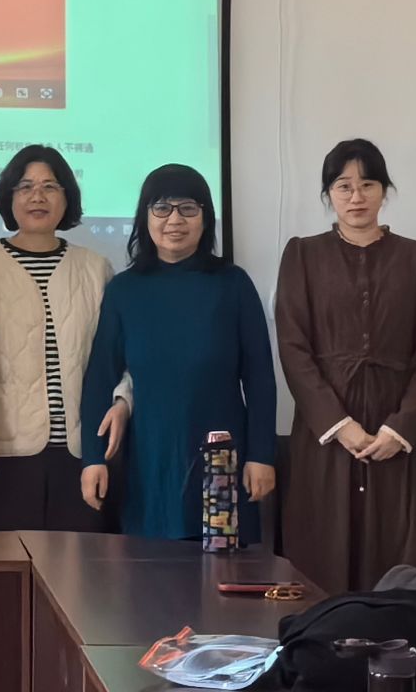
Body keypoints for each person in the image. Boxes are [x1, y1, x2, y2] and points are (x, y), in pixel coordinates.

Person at [275, 139, 416, 595]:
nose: (356, 197)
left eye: (368, 184)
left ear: (384, 191)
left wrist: (400, 428)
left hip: (397, 433)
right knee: (322, 553)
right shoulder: (302, 255)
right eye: (343, 186)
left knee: (397, 556)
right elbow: (293, 346)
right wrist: (339, 425)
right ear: (328, 194)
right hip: (325, 433)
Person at [80, 165, 276, 541]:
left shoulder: (232, 284)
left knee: (222, 567)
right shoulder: (124, 290)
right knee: (149, 568)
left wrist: (261, 455)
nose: (174, 220)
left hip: (222, 457)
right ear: (145, 217)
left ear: (205, 218)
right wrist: (92, 458)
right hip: (149, 461)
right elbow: (100, 378)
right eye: (162, 208)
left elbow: (260, 379)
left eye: (188, 208)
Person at [0, 145, 128, 532]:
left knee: (78, 564)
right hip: (2, 453)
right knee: (7, 564)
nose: (37, 196)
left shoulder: (95, 268)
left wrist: (124, 400)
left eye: (50, 186)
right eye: (25, 187)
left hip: (82, 452)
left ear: (67, 198)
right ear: (9, 197)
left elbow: (121, 355)